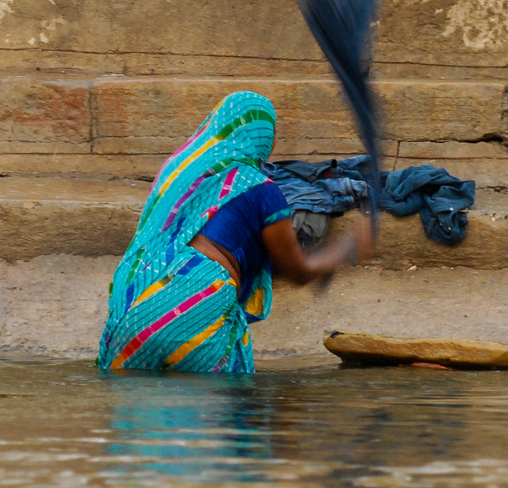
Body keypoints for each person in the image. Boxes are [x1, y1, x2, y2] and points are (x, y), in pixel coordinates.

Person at [98, 91, 374, 373]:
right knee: (220, 410)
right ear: (264, 136)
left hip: (130, 297)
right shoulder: (260, 188)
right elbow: (298, 270)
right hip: (194, 301)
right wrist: (348, 246)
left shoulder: (176, 174)